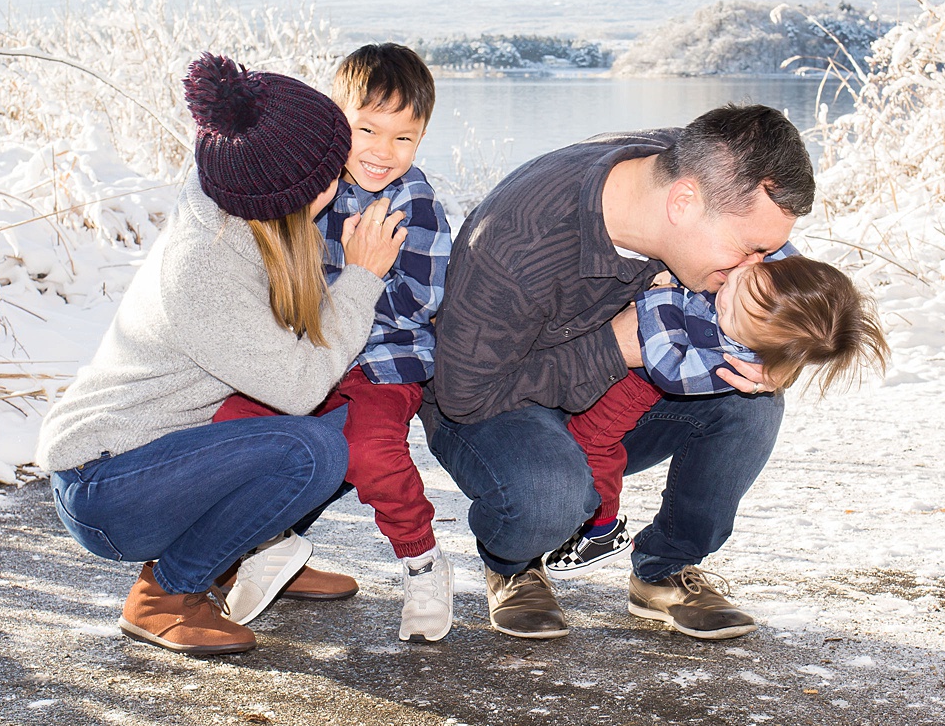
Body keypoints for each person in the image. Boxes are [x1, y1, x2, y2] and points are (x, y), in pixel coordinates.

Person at [35, 54, 407, 656]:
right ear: (293, 191)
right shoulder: (205, 268)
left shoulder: (241, 198)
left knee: (357, 420)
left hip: (165, 456)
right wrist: (362, 277)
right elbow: (300, 387)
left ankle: (243, 554)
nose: (341, 181)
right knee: (313, 448)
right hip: (106, 484)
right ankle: (168, 591)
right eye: (330, 174)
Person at [424, 104, 816, 641]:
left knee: (747, 398)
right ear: (683, 203)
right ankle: (512, 564)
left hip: (611, 399)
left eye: (768, 251)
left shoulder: (704, 174)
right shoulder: (517, 243)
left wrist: (776, 355)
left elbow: (782, 291)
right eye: (750, 249)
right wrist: (618, 345)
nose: (756, 268)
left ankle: (663, 571)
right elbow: (465, 395)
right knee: (552, 495)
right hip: (493, 400)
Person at [214, 44, 456, 642]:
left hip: (381, 360)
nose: (383, 151)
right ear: (333, 121)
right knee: (232, 425)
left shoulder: (413, 205)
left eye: (405, 138)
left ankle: (422, 560)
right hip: (304, 355)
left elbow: (420, 303)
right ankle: (271, 543)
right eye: (366, 129)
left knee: (370, 451)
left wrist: (356, 280)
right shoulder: (306, 188)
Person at [548, 250, 889, 576]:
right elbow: (777, 248)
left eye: (730, 316)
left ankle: (604, 529)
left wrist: (661, 290)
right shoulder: (769, 285)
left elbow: (667, 362)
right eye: (744, 280)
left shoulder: (725, 359)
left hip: (636, 380)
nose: (725, 295)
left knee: (591, 440)